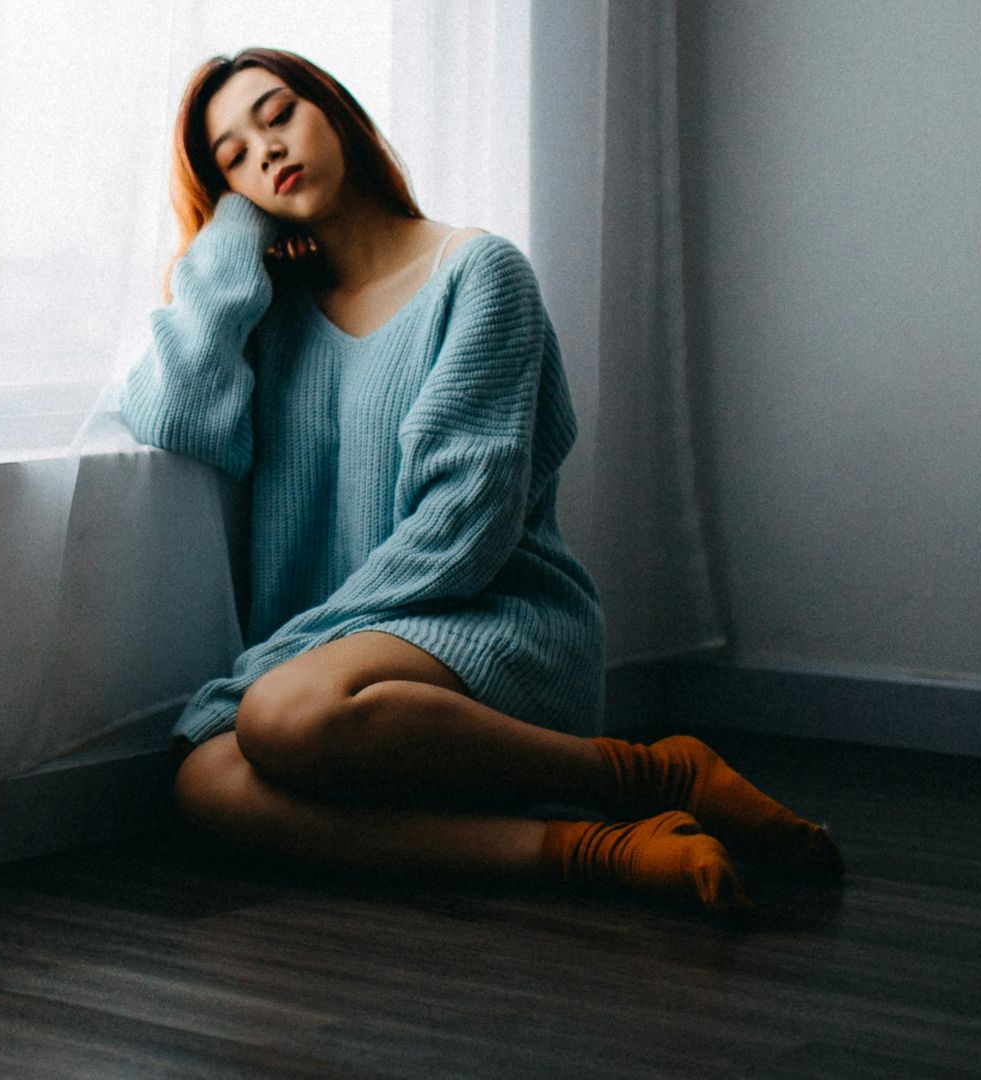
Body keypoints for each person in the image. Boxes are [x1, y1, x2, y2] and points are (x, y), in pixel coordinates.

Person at [120, 47, 842, 918]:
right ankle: (587, 851)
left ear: (336, 111)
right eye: (233, 155)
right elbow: (177, 413)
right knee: (206, 785)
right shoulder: (272, 317)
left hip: (489, 621)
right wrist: (234, 231)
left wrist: (279, 664)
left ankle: (645, 770)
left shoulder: (478, 273)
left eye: (278, 115)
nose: (267, 151)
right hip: (338, 684)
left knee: (276, 716)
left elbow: (464, 526)